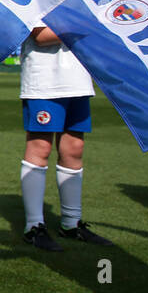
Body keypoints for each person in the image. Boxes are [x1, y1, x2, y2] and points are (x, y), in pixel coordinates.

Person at [19, 25, 112, 249]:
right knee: (40, 148)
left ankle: (71, 223)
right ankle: (33, 226)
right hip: (44, 80)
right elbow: (41, 36)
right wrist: (91, 21)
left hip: (78, 79)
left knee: (74, 148)